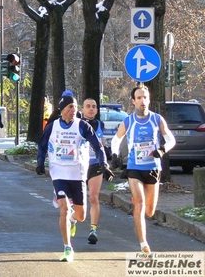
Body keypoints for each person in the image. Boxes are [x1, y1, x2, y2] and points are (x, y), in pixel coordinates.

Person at [36, 91, 114, 262]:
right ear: (63, 109)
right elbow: (42, 146)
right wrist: (40, 162)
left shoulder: (82, 126)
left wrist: (104, 165)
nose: (74, 110)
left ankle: (73, 218)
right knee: (63, 209)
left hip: (77, 174)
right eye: (71, 107)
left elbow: (97, 146)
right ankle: (67, 248)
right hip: (59, 173)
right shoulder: (52, 126)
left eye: (76, 107)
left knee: (80, 216)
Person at [110, 85, 176, 257]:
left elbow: (171, 139)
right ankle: (144, 245)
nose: (142, 101)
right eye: (138, 98)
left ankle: (138, 200)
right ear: (133, 101)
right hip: (134, 167)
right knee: (139, 204)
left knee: (150, 211)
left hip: (153, 167)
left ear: (149, 99)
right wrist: (115, 155)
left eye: (145, 97)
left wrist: (162, 150)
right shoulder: (128, 121)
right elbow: (116, 139)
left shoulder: (157, 119)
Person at [80, 98, 111, 244]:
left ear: (97, 110)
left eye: (93, 107)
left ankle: (93, 229)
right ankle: (72, 219)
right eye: (88, 106)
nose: (91, 109)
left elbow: (102, 143)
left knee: (93, 197)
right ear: (82, 109)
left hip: (95, 164)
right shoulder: (77, 124)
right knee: (76, 199)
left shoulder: (100, 124)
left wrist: (107, 161)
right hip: (79, 165)